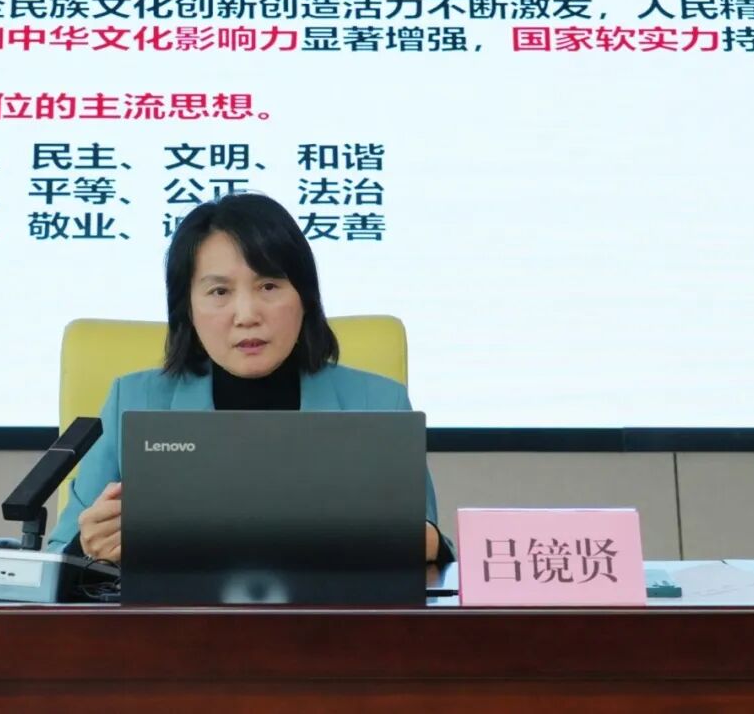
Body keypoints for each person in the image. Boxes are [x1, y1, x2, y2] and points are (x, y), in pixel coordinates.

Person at [46, 193, 454, 564]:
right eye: (219, 292)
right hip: (177, 620)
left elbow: (428, 551)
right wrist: (88, 547)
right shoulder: (133, 400)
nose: (246, 315)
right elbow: (59, 557)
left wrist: (428, 544)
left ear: (305, 297)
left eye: (269, 286)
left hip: (331, 618)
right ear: (187, 308)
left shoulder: (379, 402)